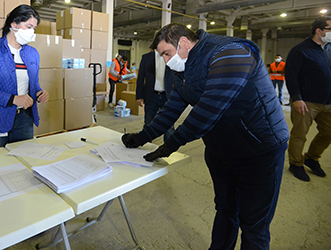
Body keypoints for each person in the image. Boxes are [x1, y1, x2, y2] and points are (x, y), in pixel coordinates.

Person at [121, 23, 288, 249]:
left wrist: (170, 145)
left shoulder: (232, 53)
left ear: (183, 43)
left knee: (253, 226)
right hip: (221, 148)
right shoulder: (180, 69)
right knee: (226, 209)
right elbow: (172, 108)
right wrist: (142, 137)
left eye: (167, 54)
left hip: (259, 150)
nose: (166, 61)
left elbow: (208, 110)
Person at [0, 5, 49, 151]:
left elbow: (33, 83)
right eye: (29, 26)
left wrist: (39, 92)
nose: (32, 32)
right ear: (13, 24)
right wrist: (13, 99)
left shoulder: (32, 53)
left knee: (22, 161)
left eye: (34, 28)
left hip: (24, 118)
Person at [285, 16, 331, 181]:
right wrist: (296, 98)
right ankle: (296, 164)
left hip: (328, 102)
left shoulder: (329, 49)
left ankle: (311, 158)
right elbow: (291, 76)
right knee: (299, 134)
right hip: (307, 101)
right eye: (330, 29)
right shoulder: (301, 50)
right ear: (319, 31)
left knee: (328, 132)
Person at [136, 46, 168, 126]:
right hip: (151, 96)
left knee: (169, 126)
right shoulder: (147, 58)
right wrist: (139, 96)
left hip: (167, 96)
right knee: (148, 124)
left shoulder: (171, 56)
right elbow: (140, 78)